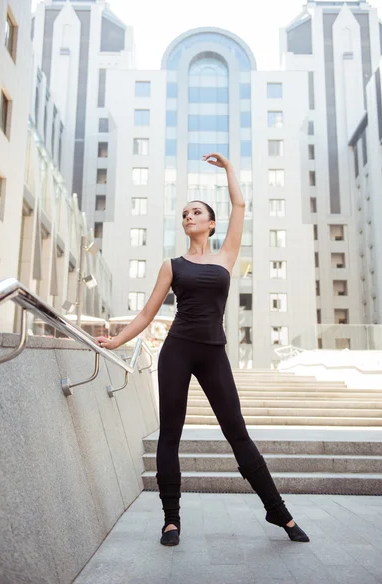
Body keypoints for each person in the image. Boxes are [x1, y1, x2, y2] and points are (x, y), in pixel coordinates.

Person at [95, 153, 310, 547]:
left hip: (214, 352)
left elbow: (240, 206)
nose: (188, 217)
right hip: (177, 350)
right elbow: (146, 313)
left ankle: (278, 511)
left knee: (237, 433)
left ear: (211, 223)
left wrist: (230, 169)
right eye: (184, 214)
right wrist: (116, 340)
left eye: (196, 212)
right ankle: (171, 520)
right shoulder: (171, 265)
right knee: (170, 436)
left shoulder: (227, 256)